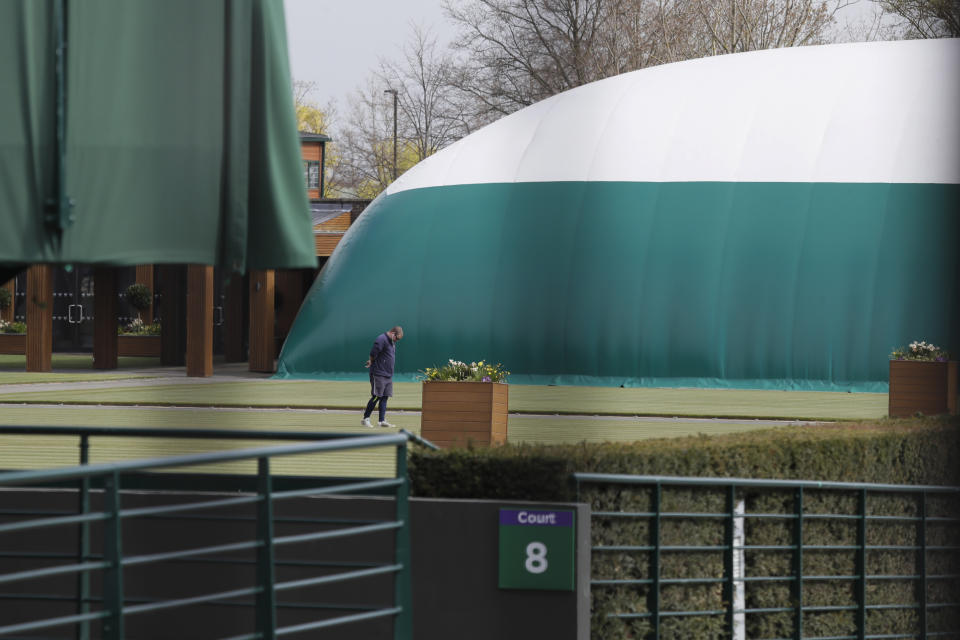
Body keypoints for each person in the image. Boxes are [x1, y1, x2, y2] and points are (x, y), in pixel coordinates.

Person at [362, 326, 403, 428]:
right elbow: (373, 353)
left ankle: (381, 421)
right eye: (397, 338)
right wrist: (371, 361)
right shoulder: (381, 339)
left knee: (385, 397)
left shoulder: (392, 342)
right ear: (393, 333)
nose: (397, 341)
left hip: (388, 374)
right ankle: (365, 419)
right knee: (376, 396)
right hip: (378, 373)